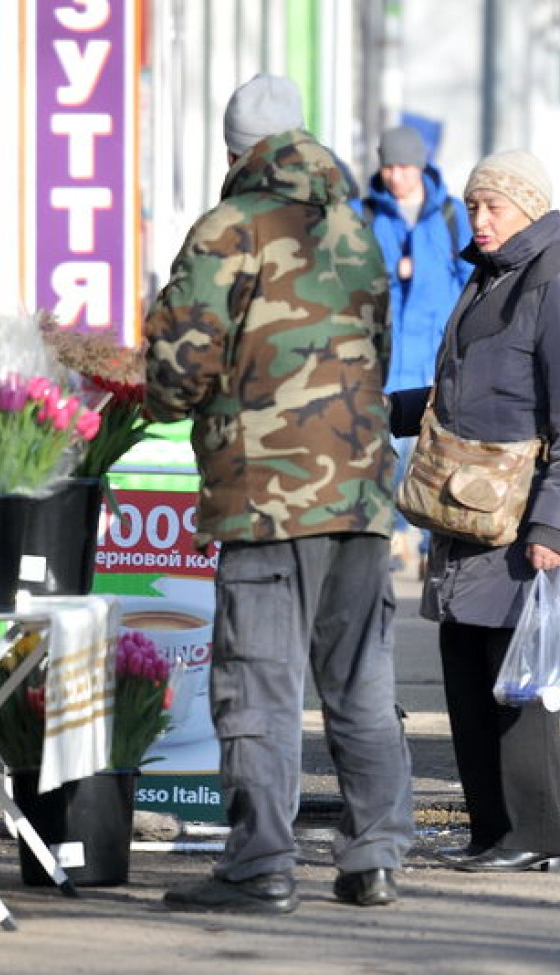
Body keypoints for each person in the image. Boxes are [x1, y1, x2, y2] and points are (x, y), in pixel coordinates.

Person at [143, 73, 413, 915]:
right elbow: (378, 349)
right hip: (362, 495)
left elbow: (179, 365)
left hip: (267, 500)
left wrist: (157, 388)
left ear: (235, 152)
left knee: (257, 684)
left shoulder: (229, 229)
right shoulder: (356, 230)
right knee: (361, 683)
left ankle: (260, 861)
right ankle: (374, 857)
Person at [389, 150, 560, 873]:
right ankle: (491, 829)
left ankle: (533, 834)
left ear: (531, 206)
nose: (480, 220)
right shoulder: (492, 278)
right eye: (475, 205)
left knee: (517, 685)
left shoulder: (559, 283)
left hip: (522, 521)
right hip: (469, 511)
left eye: (496, 207)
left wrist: (555, 527)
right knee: (466, 671)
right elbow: (467, 387)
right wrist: (382, 409)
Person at [355, 124, 472, 578]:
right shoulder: (364, 215)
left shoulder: (450, 216)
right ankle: (390, 536)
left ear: (420, 166)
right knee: (381, 455)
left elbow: (468, 285)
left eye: (404, 166)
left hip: (431, 360)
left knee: (426, 458)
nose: (396, 175)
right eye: (388, 166)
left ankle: (425, 543)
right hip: (380, 362)